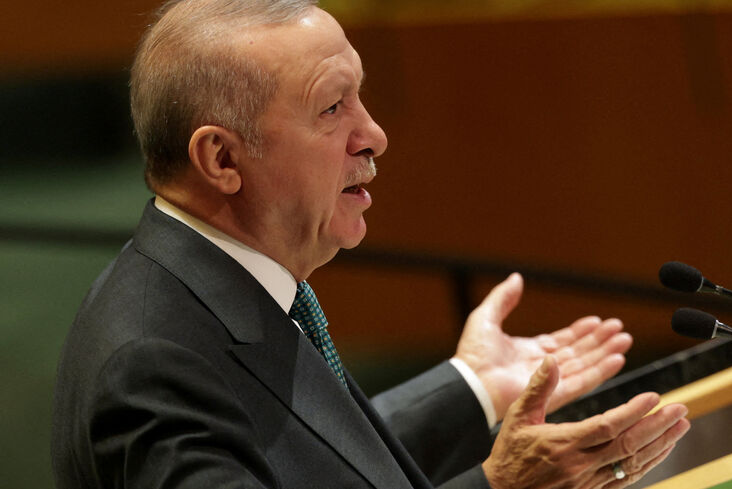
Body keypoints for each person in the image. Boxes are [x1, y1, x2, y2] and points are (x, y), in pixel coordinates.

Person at [51, 1, 690, 488]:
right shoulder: (152, 372)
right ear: (221, 157)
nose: (374, 135)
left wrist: (471, 386)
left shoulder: (219, 280)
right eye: (332, 109)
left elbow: (305, 456)